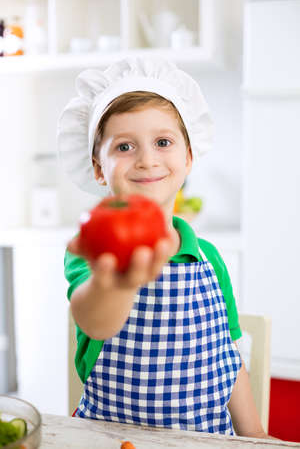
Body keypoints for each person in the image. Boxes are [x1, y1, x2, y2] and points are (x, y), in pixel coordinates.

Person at [57, 56, 271, 438]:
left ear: (189, 157)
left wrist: (254, 435)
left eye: (163, 142)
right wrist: (116, 284)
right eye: (124, 146)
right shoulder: (93, 248)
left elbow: (227, 355)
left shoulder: (207, 256)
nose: (147, 159)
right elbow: (95, 321)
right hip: (111, 439)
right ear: (97, 167)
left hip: (205, 439)